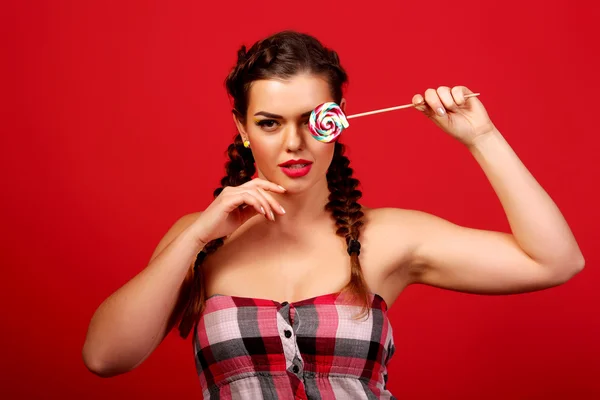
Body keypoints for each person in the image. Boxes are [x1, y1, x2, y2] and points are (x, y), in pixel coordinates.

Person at [82, 30, 585, 399]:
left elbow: (556, 262)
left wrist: (483, 138)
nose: (294, 143)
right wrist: (197, 237)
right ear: (242, 128)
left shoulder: (386, 236)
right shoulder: (198, 241)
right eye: (269, 123)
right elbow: (104, 357)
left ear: (338, 119)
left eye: (311, 121)